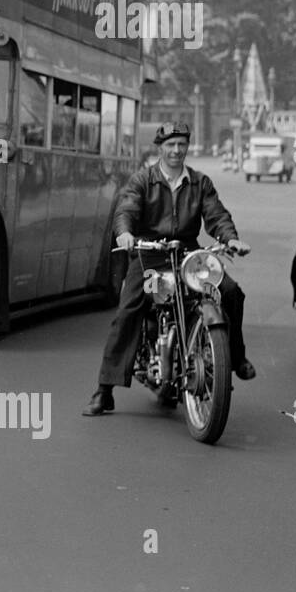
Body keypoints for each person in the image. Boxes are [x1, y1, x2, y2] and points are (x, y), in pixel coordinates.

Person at [85, 122, 255, 416]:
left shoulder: (200, 182)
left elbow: (217, 216)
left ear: (187, 147)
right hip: (151, 256)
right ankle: (105, 389)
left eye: (181, 145)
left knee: (230, 291)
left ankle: (236, 358)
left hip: (189, 254)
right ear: (160, 148)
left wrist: (231, 239)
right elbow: (126, 209)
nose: (176, 151)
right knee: (130, 308)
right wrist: (125, 234)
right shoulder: (143, 180)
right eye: (170, 145)